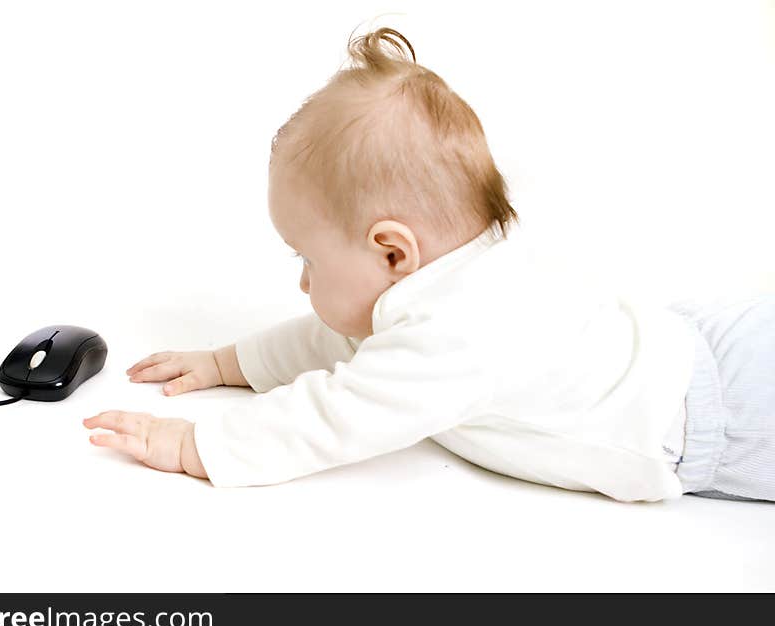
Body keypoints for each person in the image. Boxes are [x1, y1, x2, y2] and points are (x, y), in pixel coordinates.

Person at [83, 27, 774, 503]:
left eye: (308, 259)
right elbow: (346, 339)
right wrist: (228, 363)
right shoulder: (447, 282)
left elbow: (337, 413)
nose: (303, 281)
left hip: (729, 410)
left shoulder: (455, 332)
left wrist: (194, 445)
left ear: (392, 251)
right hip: (693, 350)